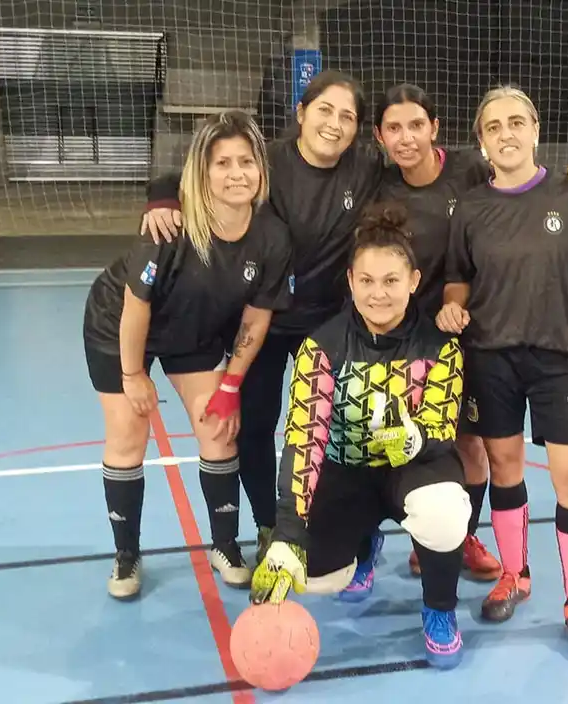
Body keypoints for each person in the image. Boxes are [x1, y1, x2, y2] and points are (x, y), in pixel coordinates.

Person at [342, 82, 568, 599]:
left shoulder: (470, 172)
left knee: (472, 448)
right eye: (394, 128)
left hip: (463, 336)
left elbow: (525, 180)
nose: (406, 137)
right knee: (377, 441)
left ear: (435, 129)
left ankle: (458, 539)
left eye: (416, 125)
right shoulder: (377, 184)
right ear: (379, 136)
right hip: (397, 334)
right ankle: (371, 544)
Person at [139, 71, 386, 568]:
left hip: (329, 320)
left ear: (358, 129)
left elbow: (431, 163)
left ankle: (348, 524)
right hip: (262, 317)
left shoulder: (366, 166)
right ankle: (268, 523)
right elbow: (196, 170)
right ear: (301, 112)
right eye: (325, 110)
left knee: (345, 425)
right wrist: (162, 196)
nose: (334, 124)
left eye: (347, 116)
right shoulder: (264, 161)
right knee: (253, 426)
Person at [440, 85, 568, 660]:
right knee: (504, 467)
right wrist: (451, 305)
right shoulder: (470, 209)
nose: (507, 134)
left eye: (517, 122)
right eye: (493, 127)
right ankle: (514, 573)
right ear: (481, 142)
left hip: (559, 359)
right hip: (490, 358)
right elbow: (457, 281)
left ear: (536, 130)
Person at [249, 202, 471, 670]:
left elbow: (442, 426)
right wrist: (287, 533)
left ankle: (439, 609)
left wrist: (414, 440)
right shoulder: (321, 347)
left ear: (413, 281)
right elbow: (304, 437)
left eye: (391, 281)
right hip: (346, 471)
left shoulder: (440, 348)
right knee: (315, 577)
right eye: (366, 281)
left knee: (446, 513)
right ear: (350, 281)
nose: (378, 294)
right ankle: (364, 546)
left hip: (413, 469)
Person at [81, 111, 293, 598]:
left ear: (260, 170)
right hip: (119, 326)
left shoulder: (271, 237)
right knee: (129, 433)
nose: (236, 173)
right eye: (223, 163)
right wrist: (132, 375)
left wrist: (231, 384)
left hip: (194, 331)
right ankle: (127, 555)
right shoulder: (170, 226)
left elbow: (256, 318)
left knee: (218, 428)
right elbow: (136, 305)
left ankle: (225, 546)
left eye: (246, 162)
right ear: (203, 172)